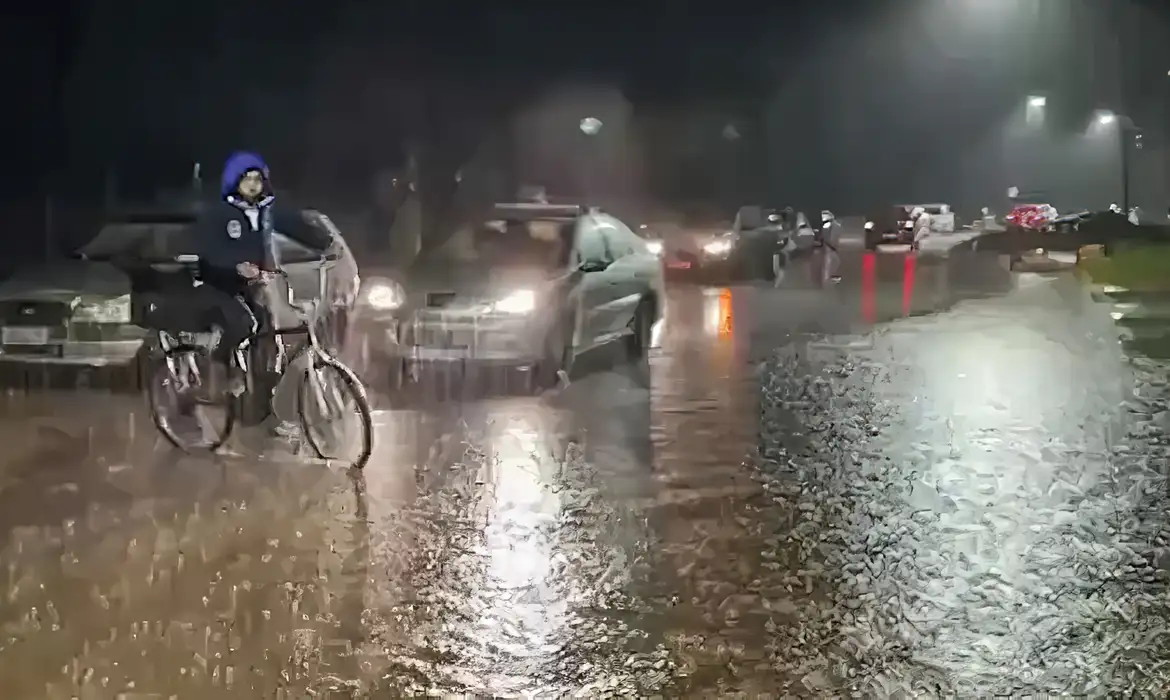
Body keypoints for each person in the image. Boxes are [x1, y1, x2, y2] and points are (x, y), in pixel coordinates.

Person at [191, 151, 335, 395]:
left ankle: (264, 383)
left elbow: (294, 226)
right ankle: (222, 365)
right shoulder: (220, 213)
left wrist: (327, 244)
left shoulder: (265, 211)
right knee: (243, 323)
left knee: (270, 327)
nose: (253, 184)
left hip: (252, 282)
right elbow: (209, 250)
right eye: (246, 178)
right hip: (220, 284)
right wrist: (236, 265)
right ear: (234, 181)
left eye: (257, 179)